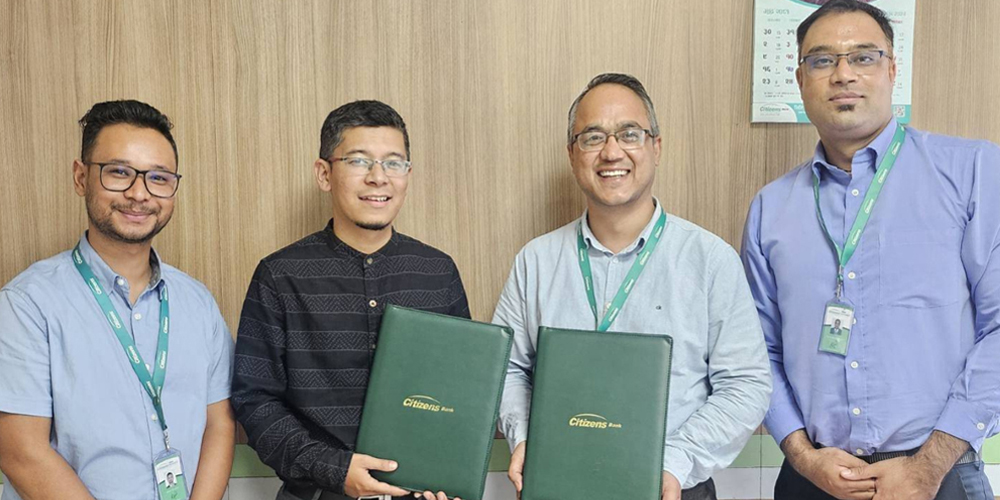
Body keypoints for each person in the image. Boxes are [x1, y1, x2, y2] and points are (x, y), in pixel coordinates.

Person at [741, 1, 1000, 499]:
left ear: (892, 70)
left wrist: (929, 465)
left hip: (940, 474)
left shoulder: (971, 172)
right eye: (822, 60)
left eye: (863, 57)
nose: (843, 74)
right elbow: (758, 352)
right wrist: (803, 456)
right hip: (813, 478)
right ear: (800, 80)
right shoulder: (771, 208)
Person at [494, 73, 772, 500]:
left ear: (656, 147)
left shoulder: (710, 260)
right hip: (558, 483)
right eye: (593, 137)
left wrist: (674, 462)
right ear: (572, 154)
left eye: (629, 134)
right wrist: (525, 436)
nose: (611, 152)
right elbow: (508, 368)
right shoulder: (536, 261)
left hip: (672, 487)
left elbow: (746, 385)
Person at [231, 100, 471, 500]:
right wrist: (333, 468)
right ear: (324, 174)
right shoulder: (279, 275)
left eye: (393, 163)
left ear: (408, 175)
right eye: (359, 161)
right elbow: (254, 399)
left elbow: (461, 393)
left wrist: (447, 475)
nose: (378, 178)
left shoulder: (438, 272)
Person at [0, 100, 235, 500]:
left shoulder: (197, 303)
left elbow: (220, 423)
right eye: (119, 172)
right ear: (81, 177)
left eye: (158, 178)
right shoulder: (27, 305)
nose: (139, 194)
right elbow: (21, 452)